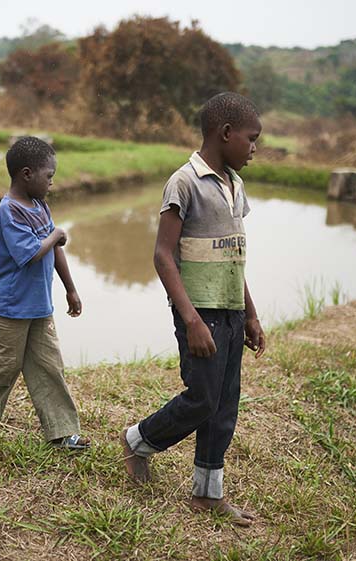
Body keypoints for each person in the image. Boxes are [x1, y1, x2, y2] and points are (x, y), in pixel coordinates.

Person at [120, 92, 267, 525]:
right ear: (225, 134)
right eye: (251, 138)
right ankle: (137, 440)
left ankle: (207, 494)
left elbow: (234, 259)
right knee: (202, 398)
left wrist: (252, 314)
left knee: (224, 405)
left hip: (231, 311)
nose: (255, 147)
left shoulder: (235, 185)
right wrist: (191, 319)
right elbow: (163, 256)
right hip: (198, 313)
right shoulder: (183, 182)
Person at [0, 136, 90, 449]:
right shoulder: (10, 211)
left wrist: (70, 289)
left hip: (40, 306)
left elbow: (54, 250)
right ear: (27, 174)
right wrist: (56, 234)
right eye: (49, 176)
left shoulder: (40, 206)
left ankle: (62, 431)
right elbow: (31, 253)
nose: (51, 183)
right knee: (2, 365)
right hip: (11, 307)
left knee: (49, 367)